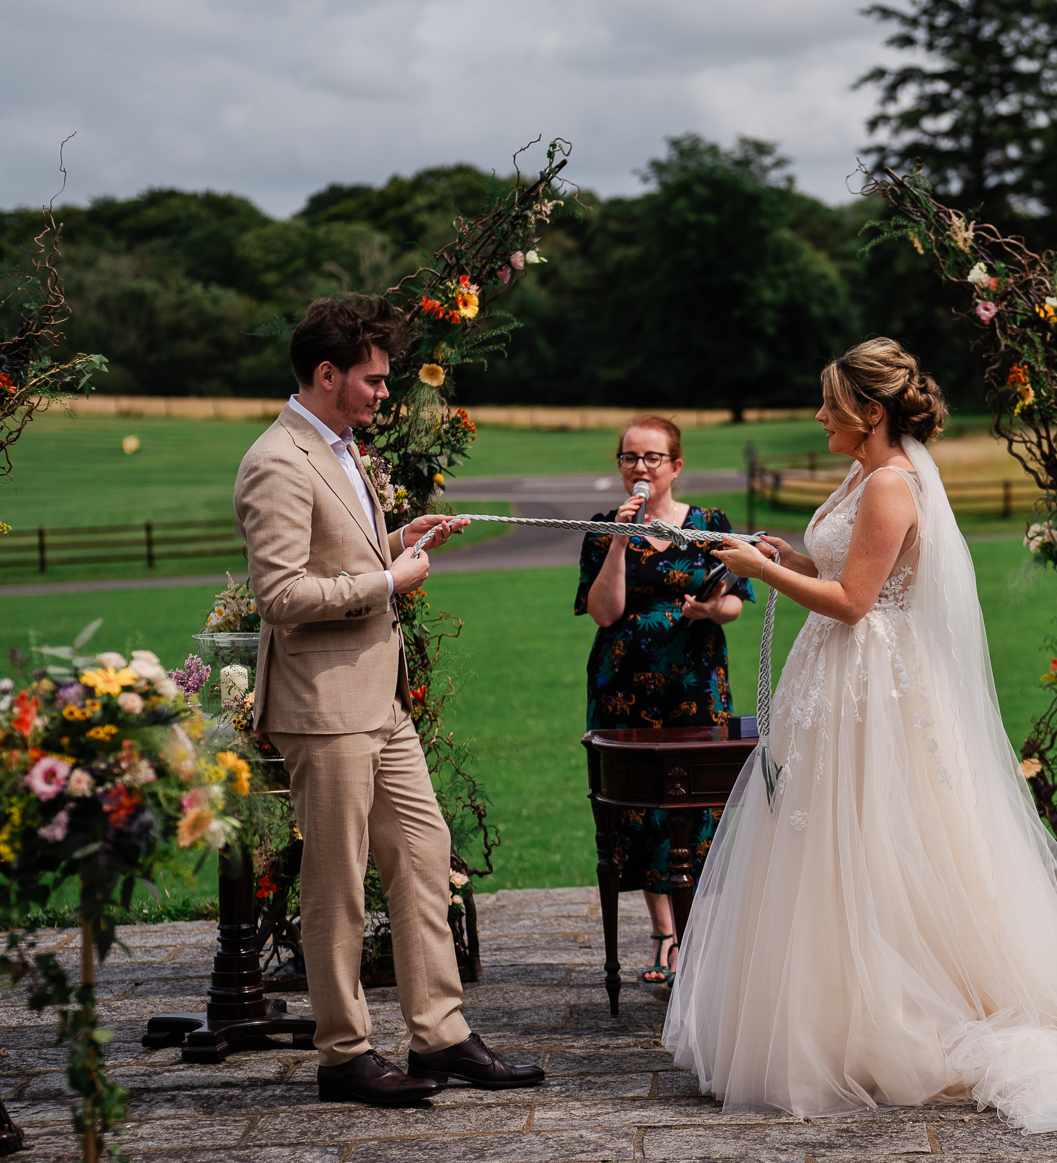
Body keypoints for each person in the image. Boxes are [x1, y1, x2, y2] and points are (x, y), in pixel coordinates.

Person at [663, 338, 1057, 1132]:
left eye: (830, 408)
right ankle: (845, 1006)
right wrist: (787, 551)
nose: (818, 418)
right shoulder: (865, 472)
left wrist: (759, 570)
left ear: (869, 413)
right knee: (837, 844)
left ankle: (893, 1020)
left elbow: (853, 601)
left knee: (875, 840)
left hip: (870, 685)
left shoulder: (892, 483)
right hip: (841, 681)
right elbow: (849, 569)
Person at [235, 293, 544, 1106]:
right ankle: (343, 1052)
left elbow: (336, 553)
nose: (383, 394)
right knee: (337, 881)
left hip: (380, 698)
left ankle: (439, 1035)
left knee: (422, 853)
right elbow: (278, 593)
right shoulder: (276, 459)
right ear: (327, 373)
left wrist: (399, 542)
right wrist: (387, 581)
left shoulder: (341, 447)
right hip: (322, 705)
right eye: (372, 380)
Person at [577, 415, 754, 986]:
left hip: (696, 681)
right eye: (631, 457)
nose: (641, 468)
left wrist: (709, 609)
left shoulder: (710, 524)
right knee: (640, 807)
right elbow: (604, 612)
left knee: (697, 803)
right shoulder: (604, 529)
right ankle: (664, 933)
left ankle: (699, 931)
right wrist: (621, 543)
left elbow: (735, 602)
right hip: (624, 685)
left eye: (653, 457)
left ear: (676, 465)